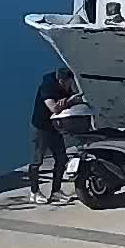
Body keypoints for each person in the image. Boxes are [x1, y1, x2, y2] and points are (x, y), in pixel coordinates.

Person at [29, 66, 81, 203]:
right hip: (41, 128)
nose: (68, 86)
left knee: (61, 159)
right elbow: (53, 108)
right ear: (60, 80)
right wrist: (68, 101)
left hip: (54, 127)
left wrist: (68, 101)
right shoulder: (48, 87)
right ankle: (34, 192)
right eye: (66, 83)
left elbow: (72, 99)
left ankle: (56, 191)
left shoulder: (67, 85)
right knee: (37, 161)